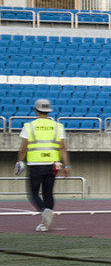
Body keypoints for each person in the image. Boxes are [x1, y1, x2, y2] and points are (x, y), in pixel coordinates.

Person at [15, 98, 70, 232]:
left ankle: (45, 213)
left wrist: (19, 161)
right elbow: (62, 148)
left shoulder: (29, 126)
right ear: (49, 111)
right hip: (53, 164)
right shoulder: (58, 126)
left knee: (33, 193)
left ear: (36, 110)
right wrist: (67, 166)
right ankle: (46, 219)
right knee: (48, 192)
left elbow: (23, 148)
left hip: (35, 164)